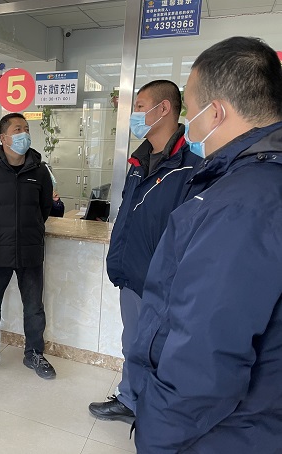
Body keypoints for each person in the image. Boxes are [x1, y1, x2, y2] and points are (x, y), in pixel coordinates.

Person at [127, 36, 282, 453]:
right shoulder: (257, 182)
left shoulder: (242, 203)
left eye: (191, 112)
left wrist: (157, 438)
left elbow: (204, 353)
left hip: (227, 431)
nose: (189, 125)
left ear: (216, 112)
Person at [89, 80, 202, 424]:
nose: (134, 114)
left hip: (164, 280)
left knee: (160, 349)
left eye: (140, 106)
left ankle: (157, 413)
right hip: (132, 272)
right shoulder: (139, 161)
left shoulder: (192, 164)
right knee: (135, 343)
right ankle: (130, 399)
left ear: (163, 108)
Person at [0, 112, 56, 379]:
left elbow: (45, 208)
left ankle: (34, 354)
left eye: (26, 129)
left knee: (34, 307)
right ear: (3, 137)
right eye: (18, 129)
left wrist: (31, 229)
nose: (24, 134)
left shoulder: (40, 171)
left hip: (30, 250)